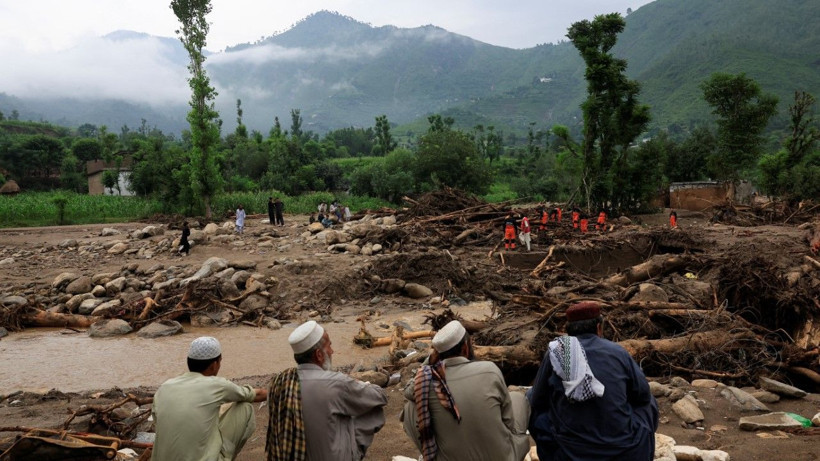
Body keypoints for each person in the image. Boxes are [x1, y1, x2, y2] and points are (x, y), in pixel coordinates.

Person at [527, 302, 658, 461]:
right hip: (624, 451)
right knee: (649, 401)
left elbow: (536, 400)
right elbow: (642, 395)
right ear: (598, 327)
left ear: (568, 330)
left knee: (530, 400)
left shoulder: (556, 352)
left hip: (568, 452)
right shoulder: (618, 352)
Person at [402, 320, 530, 461]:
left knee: (410, 407)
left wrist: (429, 361)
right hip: (504, 457)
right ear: (465, 348)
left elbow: (408, 392)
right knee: (518, 398)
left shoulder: (428, 381)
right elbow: (509, 422)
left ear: (438, 355)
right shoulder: (489, 370)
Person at [266, 321, 387, 461]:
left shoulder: (279, 383)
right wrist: (360, 383)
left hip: (289, 456)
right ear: (319, 355)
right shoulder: (336, 383)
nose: (332, 351)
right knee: (371, 408)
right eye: (329, 345)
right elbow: (380, 397)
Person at [152, 337, 267, 461]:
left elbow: (158, 423)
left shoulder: (164, 387)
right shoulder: (217, 385)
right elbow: (257, 394)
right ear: (214, 364)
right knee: (245, 407)